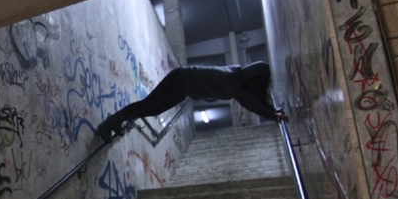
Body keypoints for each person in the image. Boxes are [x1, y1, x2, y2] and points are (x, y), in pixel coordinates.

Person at [96, 61, 288, 142]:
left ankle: (117, 121)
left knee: (154, 111)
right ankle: (109, 123)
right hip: (179, 79)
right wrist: (271, 115)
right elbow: (247, 100)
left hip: (184, 88)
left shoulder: (237, 77)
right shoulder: (232, 78)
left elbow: (253, 97)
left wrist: (272, 110)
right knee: (148, 104)